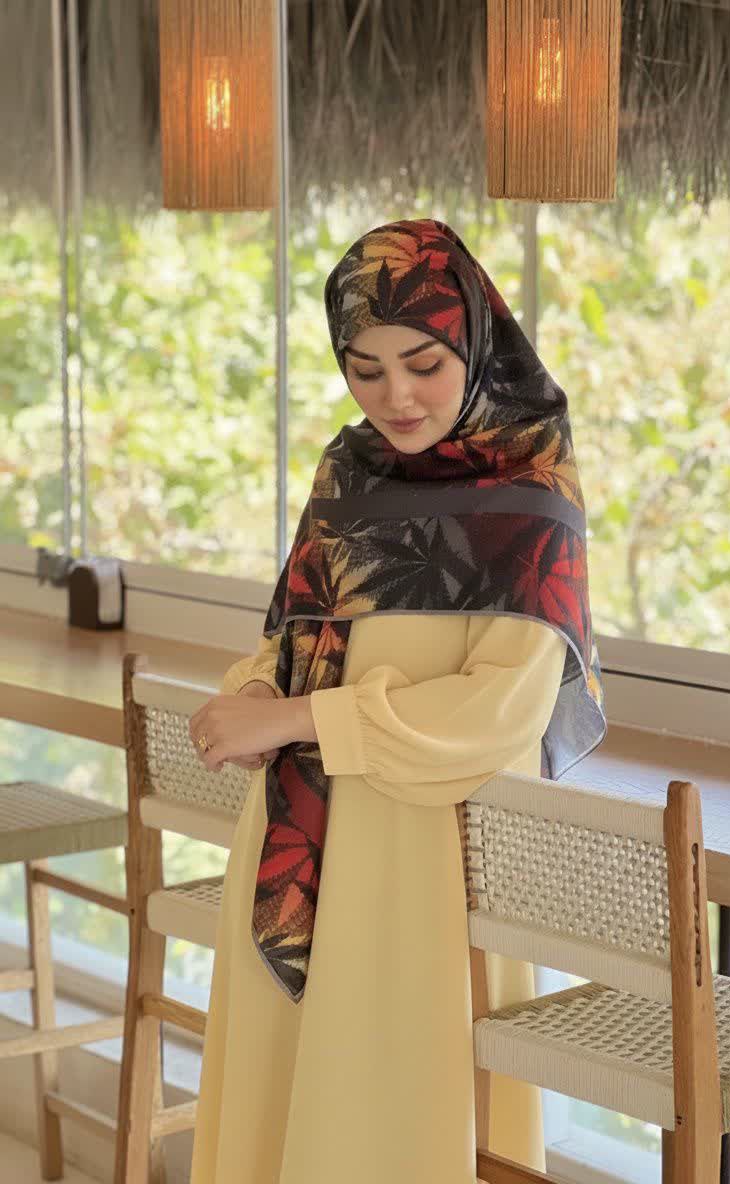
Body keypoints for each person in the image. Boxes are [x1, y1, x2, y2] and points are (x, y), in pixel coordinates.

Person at [187, 218, 607, 1184]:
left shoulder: (534, 494)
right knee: (279, 1102)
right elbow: (296, 635)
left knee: (393, 1117)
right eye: (365, 369)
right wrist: (251, 693)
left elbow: (497, 710)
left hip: (428, 860)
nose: (396, 398)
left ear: (475, 343)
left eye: (423, 364)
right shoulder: (349, 471)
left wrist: (291, 719)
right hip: (298, 839)